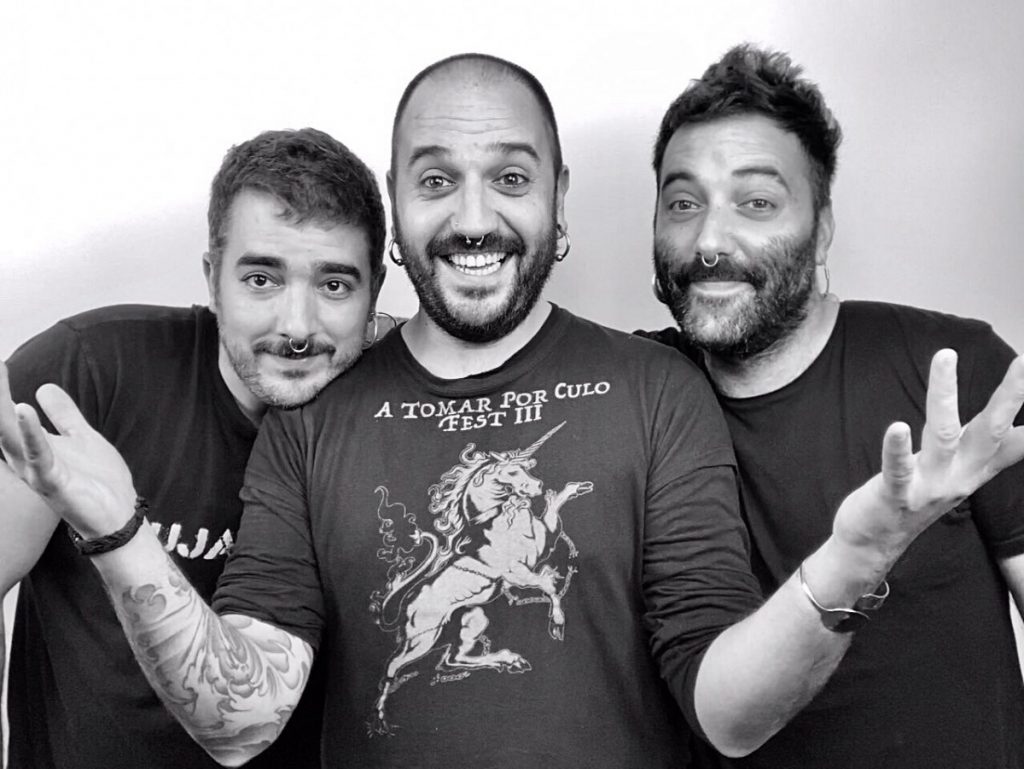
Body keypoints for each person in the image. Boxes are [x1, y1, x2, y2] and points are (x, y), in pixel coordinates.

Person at [2, 52, 1022, 769]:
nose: (474, 216)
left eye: (510, 177)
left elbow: (728, 718)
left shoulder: (659, 386)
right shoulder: (312, 414)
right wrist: (122, 533)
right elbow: (242, 722)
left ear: (559, 199)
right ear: (397, 208)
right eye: (437, 179)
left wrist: (856, 555)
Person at [647, 44, 1024, 768]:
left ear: (821, 229)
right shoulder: (638, 392)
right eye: (683, 204)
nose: (710, 241)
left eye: (757, 202)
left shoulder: (956, 374)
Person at [0, 127, 388, 769]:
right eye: (261, 279)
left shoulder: (394, 418)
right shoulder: (88, 374)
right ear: (213, 278)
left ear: (375, 289)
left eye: (334, 286)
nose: (296, 326)